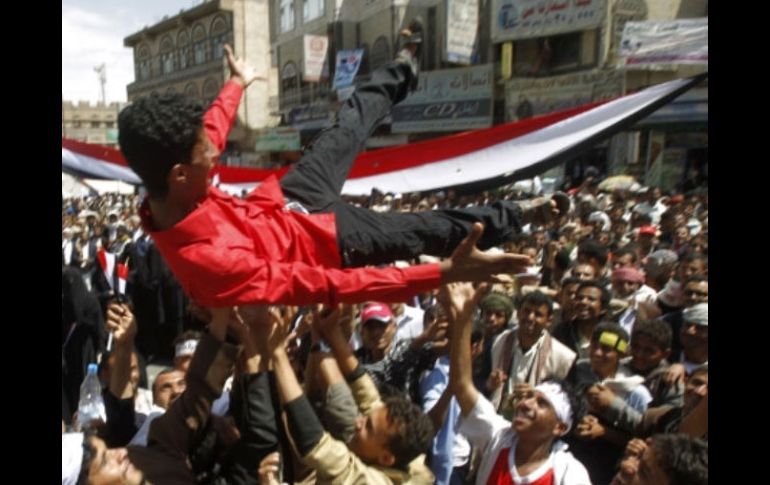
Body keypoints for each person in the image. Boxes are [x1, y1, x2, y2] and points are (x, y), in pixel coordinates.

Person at [118, 38, 567, 308]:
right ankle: (520, 215)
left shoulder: (176, 175)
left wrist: (237, 82)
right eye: (208, 155)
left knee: (348, 122)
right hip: (329, 243)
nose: (217, 153)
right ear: (179, 175)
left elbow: (211, 127)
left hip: (286, 195)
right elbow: (331, 286)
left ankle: (403, 69)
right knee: (422, 228)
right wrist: (443, 273)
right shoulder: (208, 266)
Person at [443, 282, 591, 485]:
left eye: (542, 403)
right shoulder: (498, 437)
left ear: (560, 427)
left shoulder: (569, 473)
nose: (526, 404)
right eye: (530, 397)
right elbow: (462, 384)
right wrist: (463, 321)